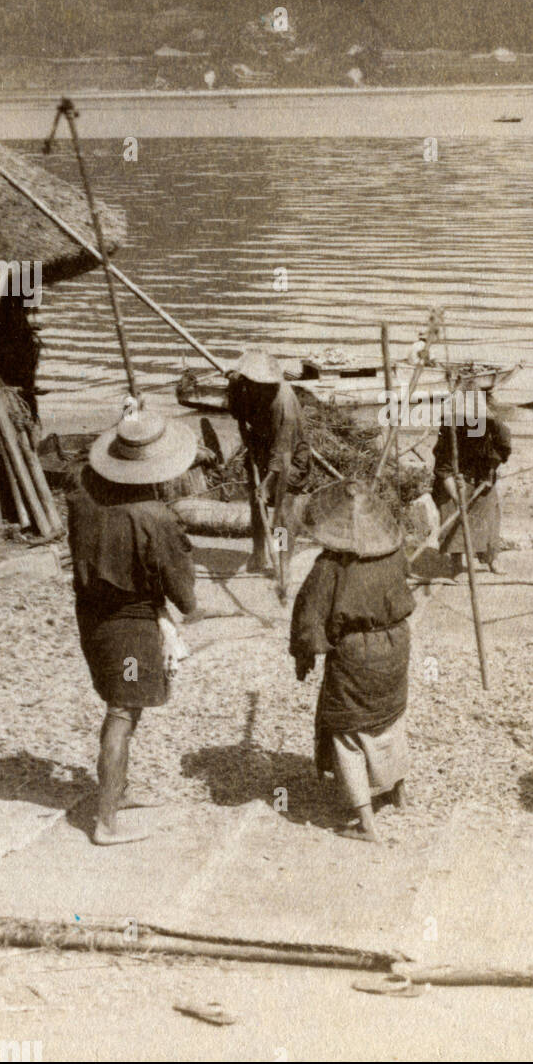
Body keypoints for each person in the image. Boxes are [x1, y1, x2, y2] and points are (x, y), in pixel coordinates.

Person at [67, 401, 198, 845]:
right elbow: (180, 587)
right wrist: (185, 607)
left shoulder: (82, 495)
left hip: (92, 614)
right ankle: (106, 822)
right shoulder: (152, 517)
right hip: (129, 621)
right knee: (122, 714)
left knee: (125, 705)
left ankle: (116, 791)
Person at [289, 481, 416, 843]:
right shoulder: (393, 553)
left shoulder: (329, 565)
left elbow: (308, 615)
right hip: (396, 644)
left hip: (356, 651)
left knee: (347, 729)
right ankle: (397, 791)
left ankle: (365, 823)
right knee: (390, 717)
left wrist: (305, 655)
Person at [227, 350, 309, 582]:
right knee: (256, 503)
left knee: (282, 514)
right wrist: (233, 387)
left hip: (290, 457)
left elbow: (282, 453)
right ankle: (258, 553)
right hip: (260, 447)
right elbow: (236, 412)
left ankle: (283, 562)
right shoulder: (246, 386)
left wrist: (267, 484)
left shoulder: (284, 405)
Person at [432, 404, 512, 574]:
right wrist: (456, 497)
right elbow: (442, 468)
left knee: (489, 517)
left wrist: (490, 473)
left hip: (481, 477)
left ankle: (491, 560)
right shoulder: (449, 430)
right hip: (454, 479)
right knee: (453, 515)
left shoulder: (494, 426)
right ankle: (456, 564)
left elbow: (501, 448)